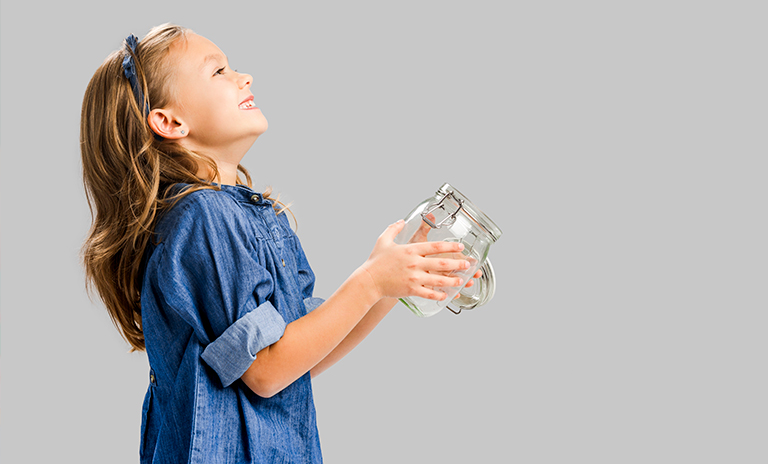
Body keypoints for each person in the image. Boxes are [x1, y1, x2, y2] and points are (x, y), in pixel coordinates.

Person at [80, 23, 478, 463]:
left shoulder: (249, 216)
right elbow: (266, 371)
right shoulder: (202, 218)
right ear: (170, 122)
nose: (244, 77)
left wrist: (391, 284)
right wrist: (370, 282)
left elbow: (300, 361)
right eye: (218, 72)